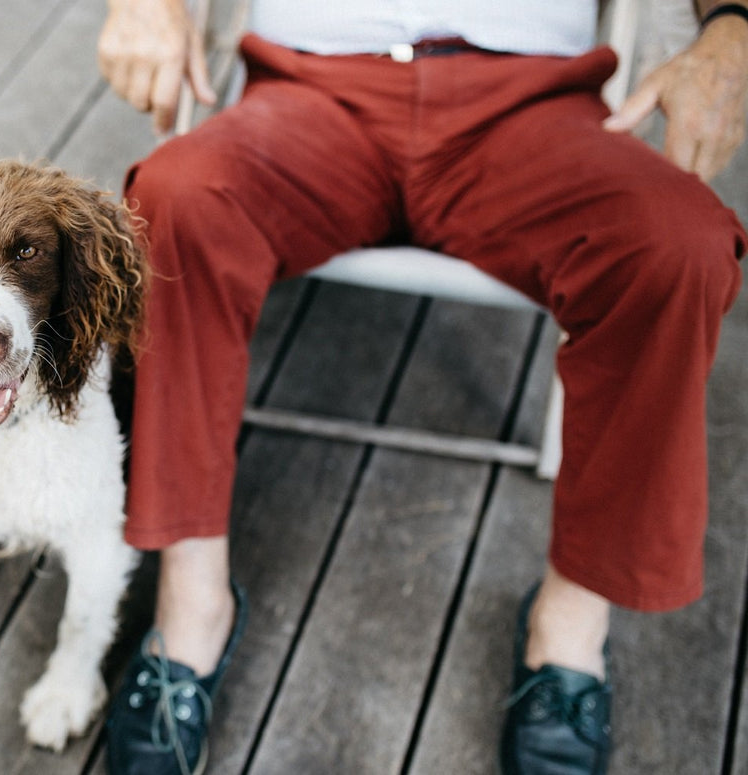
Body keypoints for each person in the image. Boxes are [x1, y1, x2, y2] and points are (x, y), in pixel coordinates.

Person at [95, 1, 748, 773]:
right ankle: (191, 606)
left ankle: (569, 637)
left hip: (530, 102)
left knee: (677, 246)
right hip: (311, 90)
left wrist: (733, 27)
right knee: (174, 201)